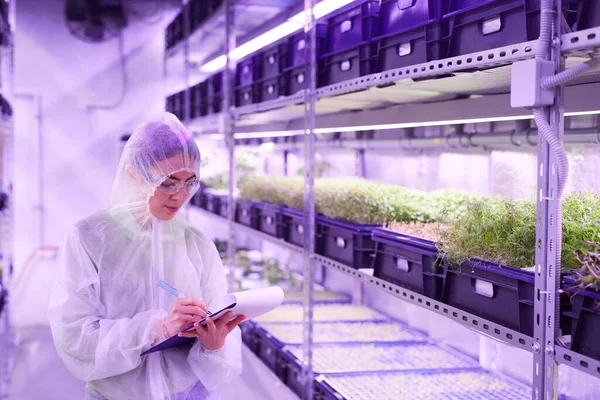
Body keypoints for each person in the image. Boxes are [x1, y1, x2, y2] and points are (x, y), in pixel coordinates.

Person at [48, 112, 245, 400]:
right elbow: (74, 337)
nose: (179, 196)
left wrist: (214, 345)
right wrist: (157, 328)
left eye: (189, 182)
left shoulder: (198, 246)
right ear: (133, 175)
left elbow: (221, 358)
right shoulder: (89, 239)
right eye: (168, 183)